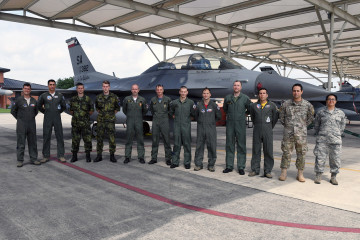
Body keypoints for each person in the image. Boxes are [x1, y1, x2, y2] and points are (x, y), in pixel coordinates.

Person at [279, 83, 314, 182]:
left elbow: (310, 118)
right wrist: (289, 126)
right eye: (294, 91)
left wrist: (301, 126)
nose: (296, 92)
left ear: (301, 92)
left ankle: (300, 174)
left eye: (298, 91)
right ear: (292, 92)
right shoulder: (286, 104)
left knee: (301, 154)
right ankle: (284, 173)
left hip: (301, 135)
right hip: (288, 134)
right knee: (286, 153)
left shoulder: (307, 105)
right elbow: (281, 118)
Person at [313, 94, 346, 185]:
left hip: (335, 140)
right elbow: (316, 125)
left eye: (333, 99)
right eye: (329, 99)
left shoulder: (340, 113)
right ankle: (318, 175)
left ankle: (333, 177)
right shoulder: (320, 112)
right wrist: (322, 133)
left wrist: (336, 134)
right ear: (326, 101)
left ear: (335, 101)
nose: (331, 101)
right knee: (320, 158)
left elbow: (342, 126)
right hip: (322, 139)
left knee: (335, 159)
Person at [249, 88, 278, 178]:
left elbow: (275, 118)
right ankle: (255, 170)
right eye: (260, 93)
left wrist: (268, 126)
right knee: (256, 150)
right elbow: (253, 118)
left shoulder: (272, 105)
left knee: (268, 150)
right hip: (257, 129)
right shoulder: (254, 106)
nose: (262, 95)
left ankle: (267, 171)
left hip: (268, 130)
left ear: (267, 95)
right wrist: (258, 124)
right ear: (259, 95)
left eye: (264, 93)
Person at [223, 80, 251, 175]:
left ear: (241, 87)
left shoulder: (245, 98)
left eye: (238, 85)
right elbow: (225, 109)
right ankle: (229, 166)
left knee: (241, 146)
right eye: (235, 85)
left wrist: (243, 115)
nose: (236, 87)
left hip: (240, 125)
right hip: (230, 125)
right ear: (233, 87)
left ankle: (241, 167)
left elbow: (249, 109)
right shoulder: (228, 98)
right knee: (229, 145)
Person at [11, 83, 40, 167]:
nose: (26, 90)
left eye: (28, 89)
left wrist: (29, 117)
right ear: (23, 89)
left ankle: (33, 159)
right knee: (21, 143)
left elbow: (36, 112)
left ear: (30, 90)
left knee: (33, 143)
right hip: (21, 125)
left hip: (31, 125)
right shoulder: (18, 100)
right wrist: (20, 119)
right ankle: (20, 160)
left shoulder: (34, 101)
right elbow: (13, 111)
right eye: (25, 88)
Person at [37, 79, 66, 163]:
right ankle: (46, 156)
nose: (52, 86)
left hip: (57, 118)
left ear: (55, 85)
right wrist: (45, 112)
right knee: (46, 137)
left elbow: (63, 106)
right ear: (48, 86)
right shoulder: (44, 95)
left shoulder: (60, 95)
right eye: (50, 84)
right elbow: (39, 106)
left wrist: (57, 112)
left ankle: (61, 155)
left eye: (53, 84)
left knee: (60, 136)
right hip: (47, 118)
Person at [193, 87, 221, 172]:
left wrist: (211, 122)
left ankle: (211, 165)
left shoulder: (214, 105)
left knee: (212, 147)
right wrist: (202, 122)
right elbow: (196, 116)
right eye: (204, 93)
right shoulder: (199, 105)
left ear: (210, 94)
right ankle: (198, 164)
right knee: (199, 147)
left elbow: (218, 117)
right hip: (201, 128)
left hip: (211, 129)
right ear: (202, 95)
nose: (206, 95)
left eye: (207, 93)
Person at [169, 86, 195, 169]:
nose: (183, 93)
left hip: (186, 127)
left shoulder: (190, 102)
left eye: (185, 92)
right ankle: (175, 162)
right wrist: (173, 116)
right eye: (182, 91)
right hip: (177, 126)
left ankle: (187, 163)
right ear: (179, 92)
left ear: (187, 92)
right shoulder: (175, 102)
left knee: (187, 145)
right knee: (176, 145)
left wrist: (189, 119)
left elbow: (193, 113)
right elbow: (170, 111)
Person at [94, 80, 120, 163]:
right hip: (101, 121)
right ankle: (99, 155)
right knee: (99, 138)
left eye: (107, 86)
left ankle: (112, 155)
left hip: (110, 121)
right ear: (102, 87)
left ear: (109, 87)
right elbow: (97, 108)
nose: (105, 88)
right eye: (104, 86)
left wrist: (110, 115)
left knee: (112, 138)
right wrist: (103, 114)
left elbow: (117, 108)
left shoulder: (114, 97)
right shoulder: (98, 97)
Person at [123, 84, 148, 164]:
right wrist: (130, 115)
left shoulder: (142, 100)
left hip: (139, 121)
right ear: (131, 90)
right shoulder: (127, 99)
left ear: (138, 90)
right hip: (130, 121)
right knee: (128, 140)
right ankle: (127, 157)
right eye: (133, 89)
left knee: (140, 140)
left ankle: (141, 157)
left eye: (136, 89)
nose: (134, 90)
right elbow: (124, 110)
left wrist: (138, 116)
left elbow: (144, 110)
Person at [69, 82, 94, 163]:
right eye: (79, 88)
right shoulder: (73, 99)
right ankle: (74, 156)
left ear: (83, 89)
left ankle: (88, 156)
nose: (80, 89)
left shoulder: (88, 99)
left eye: (81, 88)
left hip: (85, 124)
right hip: (76, 124)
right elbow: (71, 110)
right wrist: (78, 116)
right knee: (75, 140)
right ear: (77, 89)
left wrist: (84, 117)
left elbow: (91, 110)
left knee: (87, 140)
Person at [149, 84, 172, 165]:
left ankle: (168, 158)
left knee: (167, 140)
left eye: (160, 89)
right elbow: (151, 110)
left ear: (163, 90)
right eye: (158, 89)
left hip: (164, 121)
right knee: (155, 140)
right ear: (156, 90)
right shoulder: (153, 100)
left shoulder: (168, 99)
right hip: (155, 121)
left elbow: (170, 110)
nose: (159, 91)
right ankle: (154, 158)